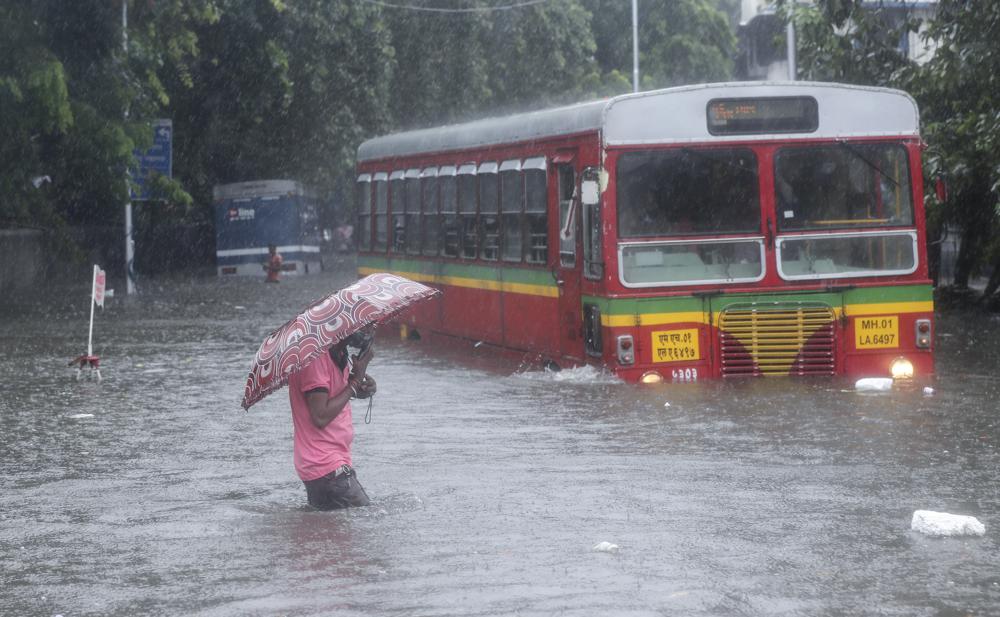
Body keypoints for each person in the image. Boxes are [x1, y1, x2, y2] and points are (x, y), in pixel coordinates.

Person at [287, 331, 377, 510]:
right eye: (363, 325)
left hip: (329, 464)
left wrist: (360, 386)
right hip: (325, 465)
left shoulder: (338, 353)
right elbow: (320, 415)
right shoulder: (315, 359)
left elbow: (332, 393)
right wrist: (355, 382)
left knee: (332, 533)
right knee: (370, 518)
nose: (367, 330)